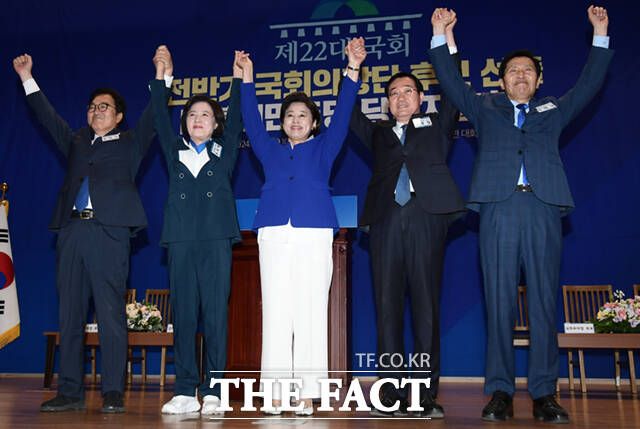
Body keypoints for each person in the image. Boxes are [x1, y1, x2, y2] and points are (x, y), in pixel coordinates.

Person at [429, 6, 613, 424]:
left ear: (539, 79)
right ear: (502, 80)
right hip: (498, 209)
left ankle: (545, 393)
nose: (520, 75)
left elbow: (589, 84)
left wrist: (600, 33)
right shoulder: (485, 108)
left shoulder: (553, 109)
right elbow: (451, 82)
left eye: (528, 70)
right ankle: (500, 392)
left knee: (544, 302)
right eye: (513, 70)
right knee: (499, 302)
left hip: (543, 207)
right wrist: (441, 34)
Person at [12, 53, 169, 413]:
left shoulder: (131, 141)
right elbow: (47, 117)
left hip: (109, 234)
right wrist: (26, 77)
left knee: (111, 315)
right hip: (72, 232)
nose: (97, 111)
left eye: (105, 107)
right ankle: (70, 391)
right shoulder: (77, 141)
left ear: (119, 116)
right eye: (93, 107)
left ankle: (113, 391)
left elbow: (153, 115)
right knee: (70, 314)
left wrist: (161, 75)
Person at [236, 38, 365, 416]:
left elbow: (343, 113)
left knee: (311, 311)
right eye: (289, 115)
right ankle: (275, 394)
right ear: (282, 122)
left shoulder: (326, 146)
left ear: (313, 123)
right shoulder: (269, 149)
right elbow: (250, 121)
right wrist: (247, 79)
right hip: (274, 233)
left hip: (314, 232)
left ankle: (308, 394)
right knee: (276, 311)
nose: (296, 120)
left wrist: (352, 69)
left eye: (303, 115)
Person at [349, 19, 464, 419]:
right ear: (387, 102)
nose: (400, 98)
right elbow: (347, 114)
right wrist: (353, 68)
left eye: (408, 92)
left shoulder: (437, 125)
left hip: (426, 216)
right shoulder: (378, 133)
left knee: (426, 309)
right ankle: (391, 392)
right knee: (386, 308)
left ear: (420, 98)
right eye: (393, 93)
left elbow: (454, 90)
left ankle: (424, 394)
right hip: (384, 221)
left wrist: (446, 40)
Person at [149, 47, 243, 416]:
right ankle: (186, 389)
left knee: (216, 316)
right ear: (184, 122)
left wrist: (238, 78)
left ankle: (215, 389)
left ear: (216, 124)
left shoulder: (225, 150)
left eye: (206, 114)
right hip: (181, 240)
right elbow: (159, 116)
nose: (198, 119)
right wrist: (162, 77)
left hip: (217, 240)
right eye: (191, 114)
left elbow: (237, 116)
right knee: (185, 316)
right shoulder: (174, 150)